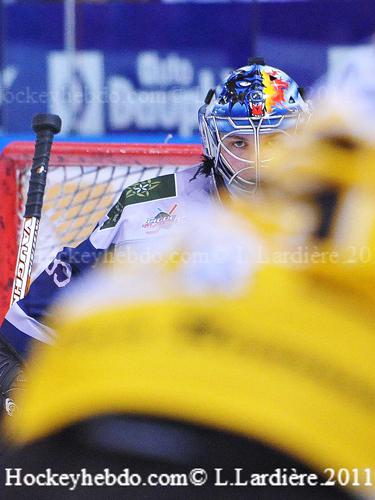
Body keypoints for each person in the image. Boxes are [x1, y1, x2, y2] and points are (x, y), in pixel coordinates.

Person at [0, 59, 310, 413]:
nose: (257, 161)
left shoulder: (343, 221)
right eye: (238, 142)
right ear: (213, 139)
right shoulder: (145, 205)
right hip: (157, 415)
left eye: (273, 140)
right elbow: (26, 330)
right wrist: (18, 387)